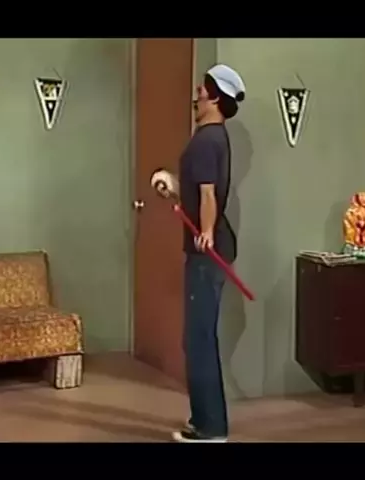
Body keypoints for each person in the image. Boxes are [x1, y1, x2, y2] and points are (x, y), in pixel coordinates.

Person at [155, 64, 246, 443]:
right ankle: (204, 421)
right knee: (197, 338)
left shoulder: (206, 140)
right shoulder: (213, 138)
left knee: (198, 340)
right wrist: (175, 189)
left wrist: (206, 231)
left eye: (202, 91)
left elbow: (209, 194)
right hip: (210, 249)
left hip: (207, 253)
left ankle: (210, 428)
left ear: (215, 98)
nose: (196, 96)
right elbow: (199, 190)